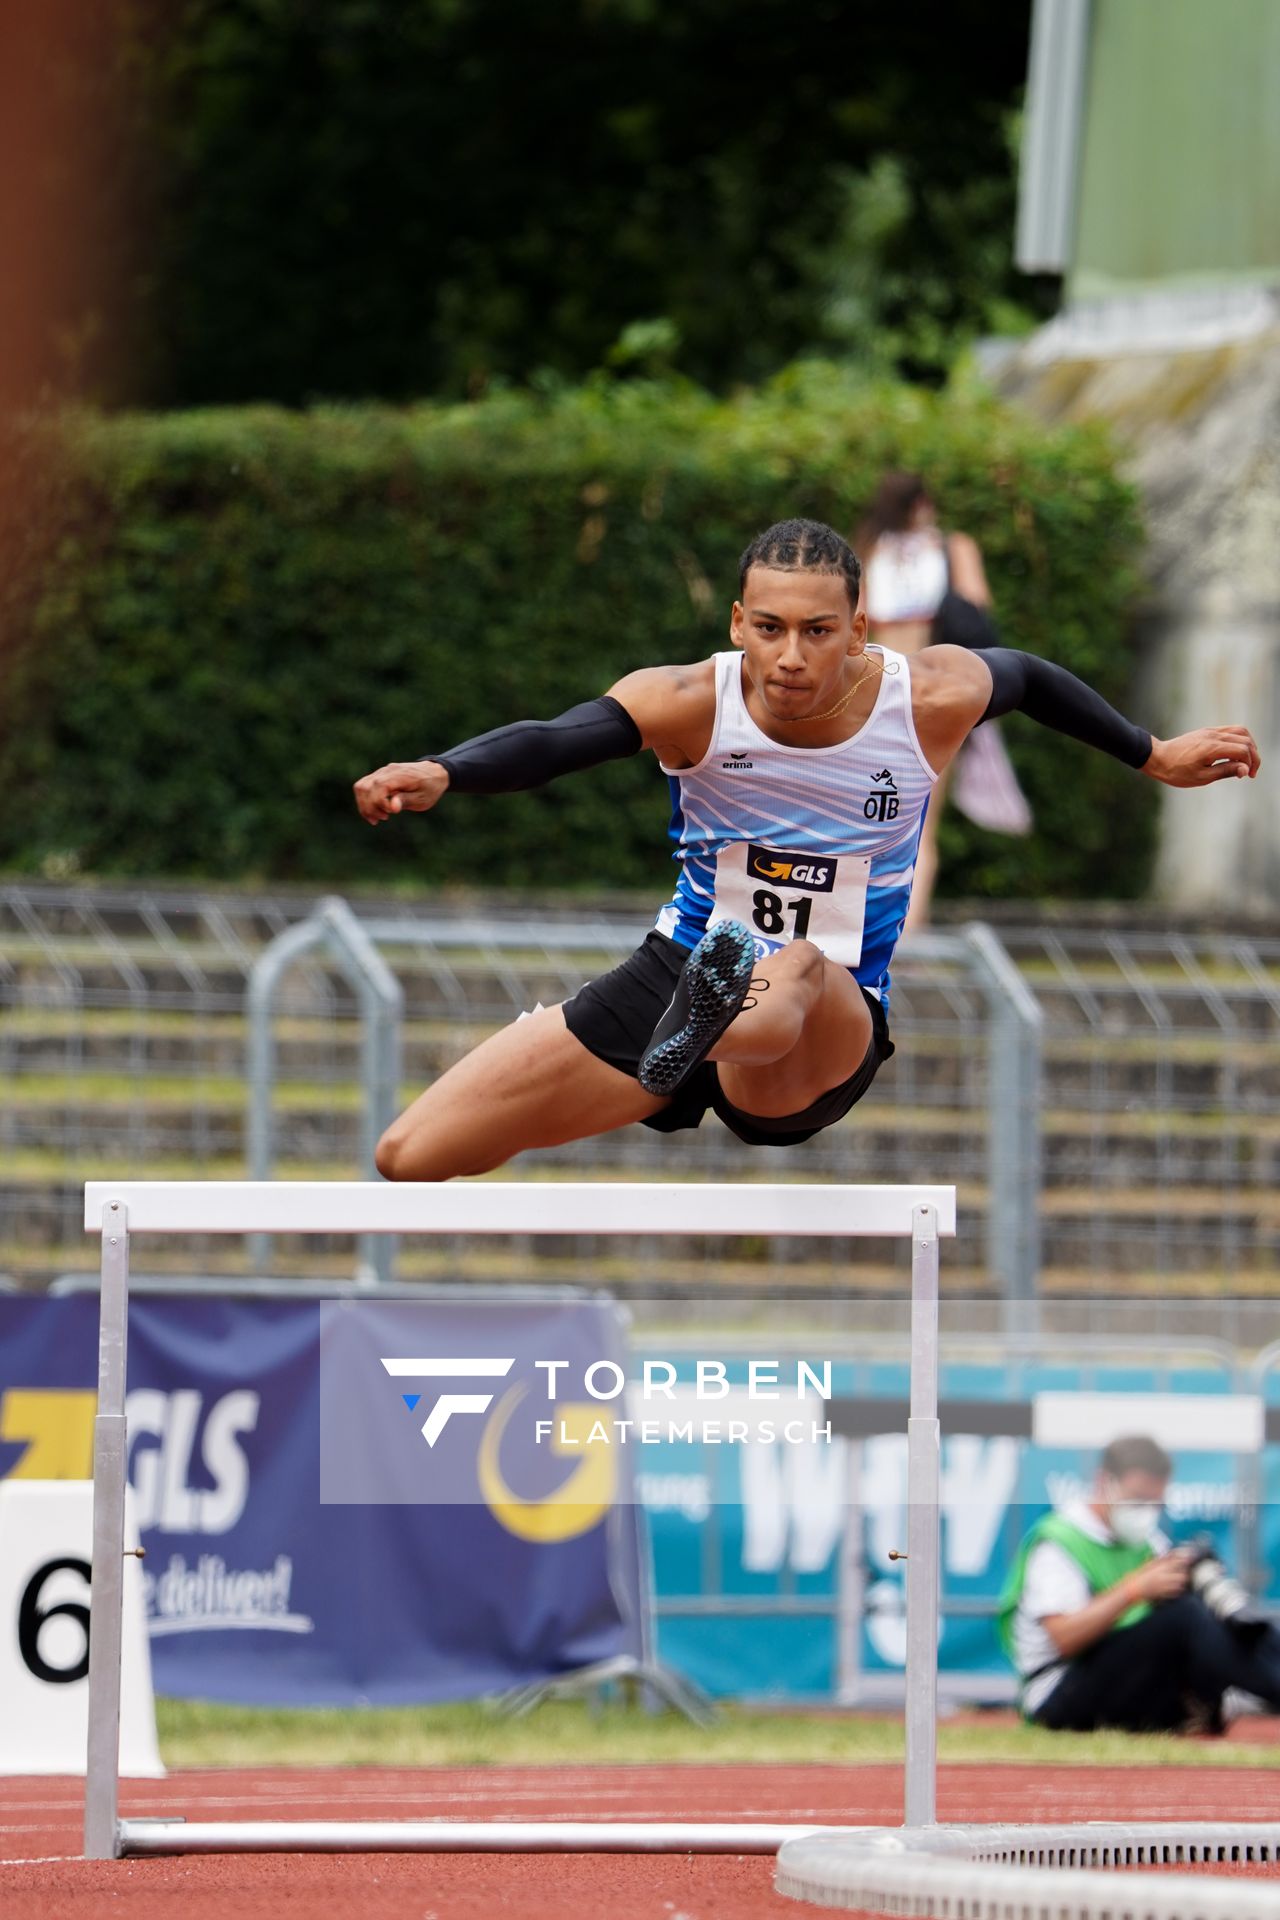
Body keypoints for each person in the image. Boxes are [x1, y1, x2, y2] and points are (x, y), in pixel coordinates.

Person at [353, 516, 1258, 1183]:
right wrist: (445, 771)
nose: (790, 657)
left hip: (821, 1020)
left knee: (793, 967)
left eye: (818, 632)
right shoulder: (688, 700)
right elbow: (557, 740)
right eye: (771, 629)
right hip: (675, 971)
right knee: (411, 1153)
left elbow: (1028, 679)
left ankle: (713, 1026)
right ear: (739, 622)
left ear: (858, 630)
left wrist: (1154, 754)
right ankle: (684, 1040)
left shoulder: (924, 699)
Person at [998, 1434, 1280, 1733]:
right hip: (1055, 1691)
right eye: (1137, 1498)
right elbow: (1064, 1638)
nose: (1146, 1510)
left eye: (1154, 1502)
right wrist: (1135, 1591)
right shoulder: (1060, 1543)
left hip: (1118, 1682)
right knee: (1184, 1618)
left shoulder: (1146, 1542)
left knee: (1227, 1619)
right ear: (1104, 1483)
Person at [855, 472, 1031, 933]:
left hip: (876, 686)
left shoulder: (869, 551)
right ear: (922, 504)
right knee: (921, 821)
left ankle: (862, 930)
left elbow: (856, 624)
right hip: (931, 688)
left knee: (867, 814)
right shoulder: (953, 547)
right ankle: (907, 936)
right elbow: (976, 608)